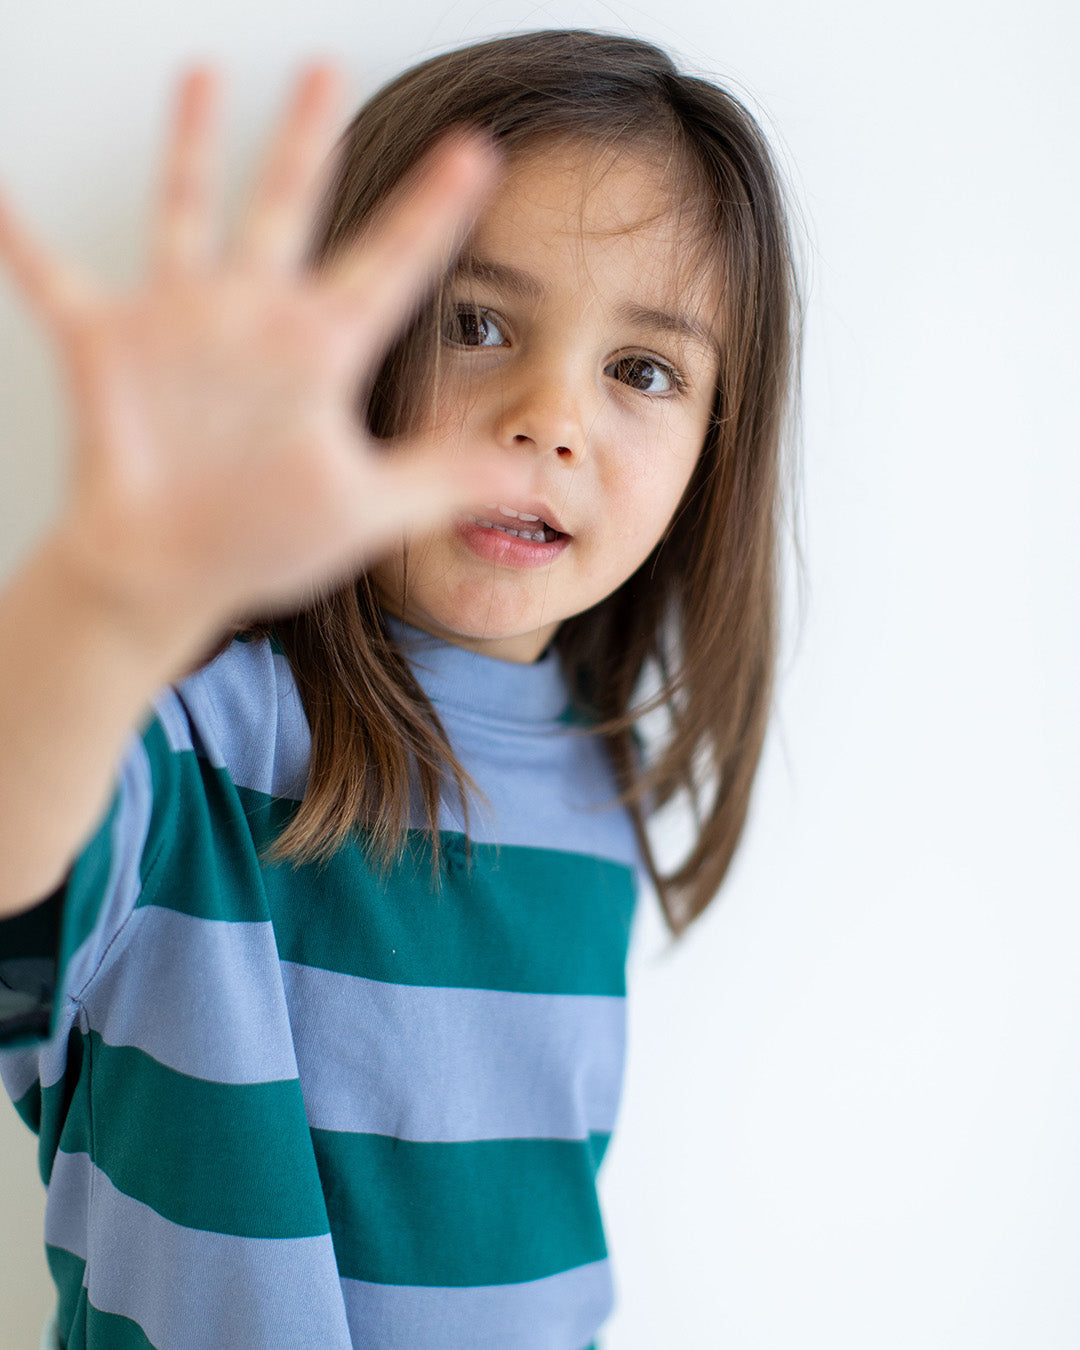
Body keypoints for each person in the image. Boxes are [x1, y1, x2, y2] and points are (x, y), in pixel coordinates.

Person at [0, 29, 800, 1350]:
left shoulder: (602, 790)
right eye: (477, 323)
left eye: (640, 368)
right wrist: (109, 588)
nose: (548, 414)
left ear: (720, 446)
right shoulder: (200, 737)